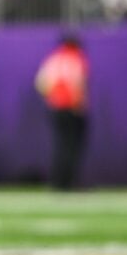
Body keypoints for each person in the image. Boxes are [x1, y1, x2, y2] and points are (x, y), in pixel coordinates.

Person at [35, 34, 89, 190]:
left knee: (60, 145)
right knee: (71, 146)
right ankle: (69, 182)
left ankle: (57, 182)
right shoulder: (76, 59)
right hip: (72, 108)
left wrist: (53, 98)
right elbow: (79, 84)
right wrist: (78, 105)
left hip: (56, 108)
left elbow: (41, 83)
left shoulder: (53, 59)